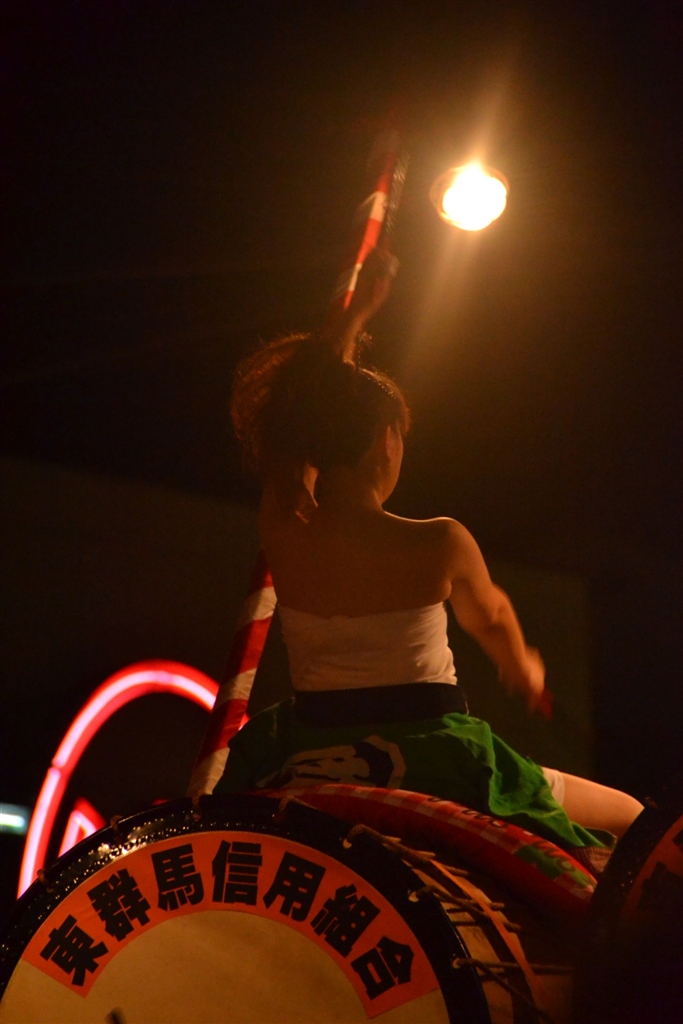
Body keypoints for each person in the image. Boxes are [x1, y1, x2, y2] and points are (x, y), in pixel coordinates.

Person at [216, 249, 643, 854]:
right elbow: (491, 617)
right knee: (629, 816)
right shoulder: (438, 541)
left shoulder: (286, 526)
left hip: (312, 748)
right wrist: (521, 665)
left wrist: (351, 321)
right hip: (436, 757)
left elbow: (304, 413)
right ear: (386, 442)